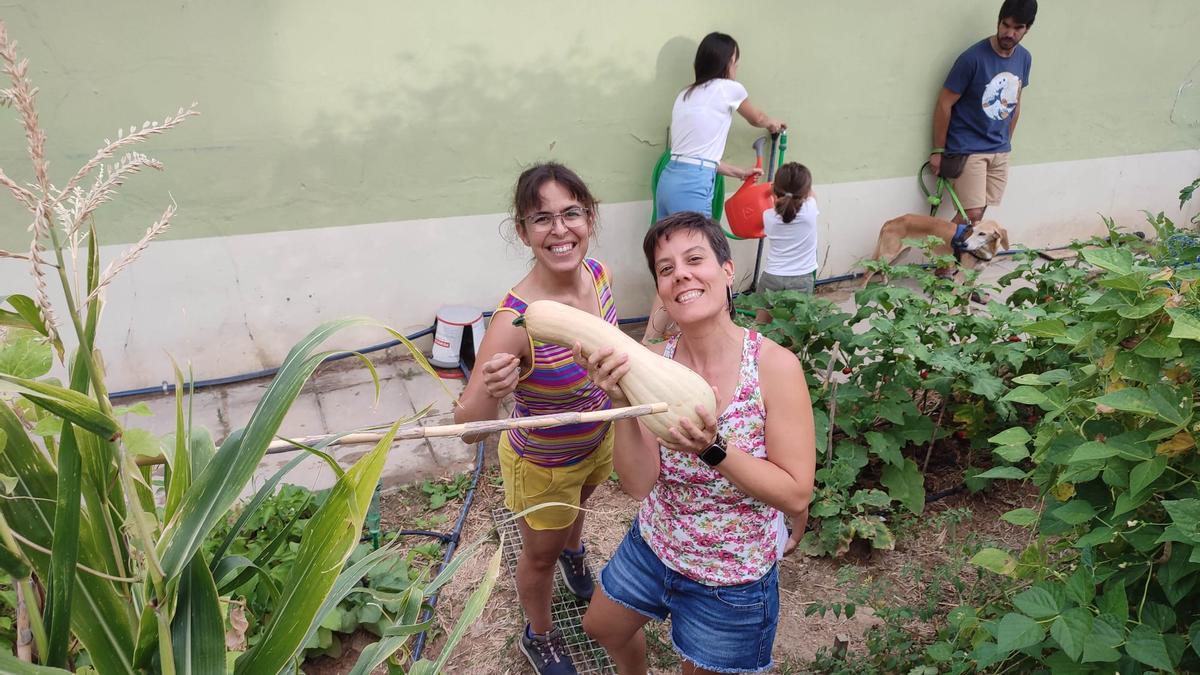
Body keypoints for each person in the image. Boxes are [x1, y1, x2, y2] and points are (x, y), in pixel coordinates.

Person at [578, 211, 816, 674]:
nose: (680, 274)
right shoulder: (651, 364)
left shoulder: (773, 366)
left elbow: (795, 492)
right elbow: (639, 484)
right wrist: (622, 404)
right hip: (656, 543)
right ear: (661, 291)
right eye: (665, 269)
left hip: (732, 577)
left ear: (727, 271)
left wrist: (714, 448)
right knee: (601, 627)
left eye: (694, 259)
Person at [454, 162, 617, 675]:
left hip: (597, 441)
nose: (560, 229)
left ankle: (574, 554)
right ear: (523, 232)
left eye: (571, 212)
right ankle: (539, 634)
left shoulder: (598, 275)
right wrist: (490, 392)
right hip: (544, 464)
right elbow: (469, 427)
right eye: (542, 218)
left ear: (589, 217)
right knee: (537, 557)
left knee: (579, 512)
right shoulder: (516, 320)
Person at [646, 31, 786, 342]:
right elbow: (758, 117)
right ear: (728, 62)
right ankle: (662, 338)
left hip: (671, 178)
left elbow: (693, 152)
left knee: (670, 260)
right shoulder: (729, 88)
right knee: (701, 257)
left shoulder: (685, 94)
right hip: (694, 183)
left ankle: (664, 334)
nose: (736, 68)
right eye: (736, 61)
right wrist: (772, 124)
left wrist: (735, 171)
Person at [929, 0, 1036, 227]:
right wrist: (938, 150)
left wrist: (1006, 141)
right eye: (1005, 25)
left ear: (1028, 28)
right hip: (969, 148)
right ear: (998, 21)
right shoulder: (972, 58)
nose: (1009, 33)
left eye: (1018, 28)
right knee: (972, 213)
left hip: (999, 149)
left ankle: (952, 261)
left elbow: (1015, 103)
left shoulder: (1024, 59)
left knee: (977, 217)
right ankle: (941, 260)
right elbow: (944, 104)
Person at [756, 162, 818, 323]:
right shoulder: (810, 210)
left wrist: (774, 189)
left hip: (771, 277)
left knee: (761, 324)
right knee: (795, 328)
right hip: (801, 279)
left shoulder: (768, 216)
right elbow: (810, 193)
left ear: (775, 189)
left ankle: (754, 347)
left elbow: (780, 202)